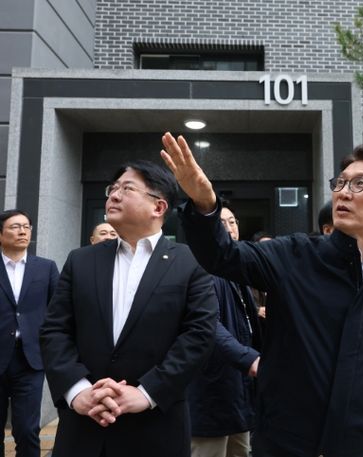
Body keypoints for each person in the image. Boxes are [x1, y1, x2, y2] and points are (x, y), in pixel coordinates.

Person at [161, 132, 363, 457]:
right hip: (286, 441)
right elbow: (223, 256)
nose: (344, 192)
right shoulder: (294, 255)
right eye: (340, 183)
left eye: (360, 184)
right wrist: (205, 205)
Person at [39, 160, 218, 457]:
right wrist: (77, 391)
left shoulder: (190, 262)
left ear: (158, 207)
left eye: (127, 188)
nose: (114, 195)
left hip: (155, 426)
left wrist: (147, 393)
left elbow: (199, 335)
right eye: (113, 188)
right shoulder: (81, 260)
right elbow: (55, 330)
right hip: (85, 425)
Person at [188, 205, 262, 457]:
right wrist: (249, 359)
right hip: (211, 392)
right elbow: (207, 324)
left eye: (233, 222)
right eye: (222, 223)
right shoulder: (201, 267)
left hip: (239, 393)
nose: (230, 228)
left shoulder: (237, 269)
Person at [0, 209, 59, 457]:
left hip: (30, 360)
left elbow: (57, 311)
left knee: (27, 430)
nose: (23, 231)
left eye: (26, 227)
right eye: (15, 227)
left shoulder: (45, 268)